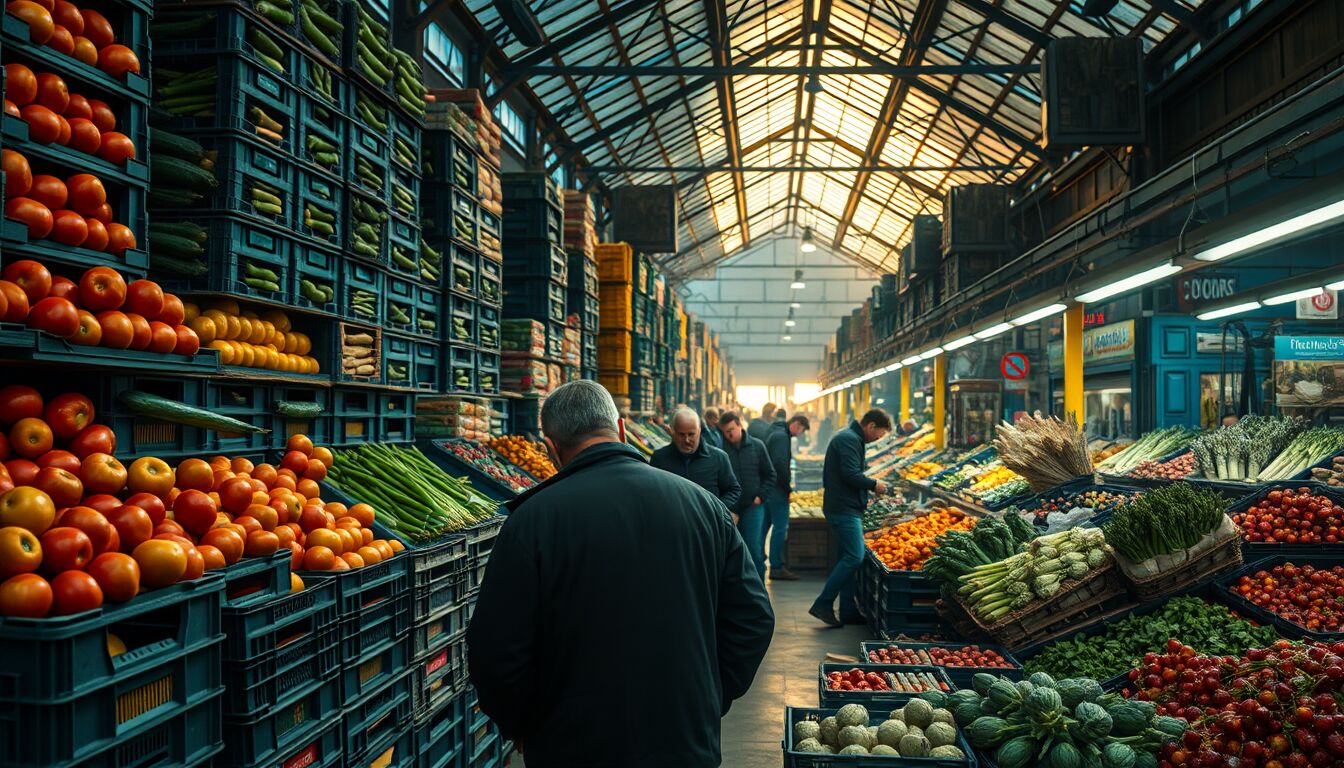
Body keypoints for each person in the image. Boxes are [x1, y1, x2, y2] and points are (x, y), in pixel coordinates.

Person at [467, 381, 774, 767]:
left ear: (551, 448)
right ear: (622, 429)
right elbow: (753, 619)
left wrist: (526, 723)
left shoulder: (530, 522)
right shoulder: (704, 508)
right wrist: (710, 695)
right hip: (683, 741)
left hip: (572, 747)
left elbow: (495, 651)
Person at [811, 408, 893, 628]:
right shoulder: (849, 440)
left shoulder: (850, 438)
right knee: (855, 556)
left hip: (844, 505)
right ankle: (823, 603)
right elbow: (849, 473)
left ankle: (847, 609)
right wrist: (874, 484)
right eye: (880, 434)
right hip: (843, 508)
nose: (879, 439)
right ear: (871, 426)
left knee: (847, 557)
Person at [650, 408, 742, 514]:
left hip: (707, 527)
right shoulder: (659, 458)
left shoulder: (718, 458)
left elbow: (733, 490)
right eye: (681, 435)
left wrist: (717, 510)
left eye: (691, 434)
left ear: (699, 431)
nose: (686, 440)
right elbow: (652, 494)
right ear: (673, 432)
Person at [717, 411, 776, 580]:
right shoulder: (720, 452)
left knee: (754, 551)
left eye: (732, 430)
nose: (729, 435)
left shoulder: (757, 446)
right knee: (732, 553)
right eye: (725, 432)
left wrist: (760, 497)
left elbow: (770, 474)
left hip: (753, 507)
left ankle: (759, 592)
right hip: (730, 510)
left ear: (740, 426)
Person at [764, 414, 810, 581]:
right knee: (780, 527)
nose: (799, 434)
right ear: (796, 424)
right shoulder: (782, 436)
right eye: (801, 430)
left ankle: (761, 561)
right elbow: (780, 464)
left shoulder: (776, 432)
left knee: (767, 526)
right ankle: (776, 566)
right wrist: (787, 488)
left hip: (770, 488)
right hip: (777, 489)